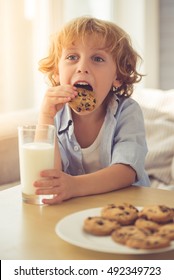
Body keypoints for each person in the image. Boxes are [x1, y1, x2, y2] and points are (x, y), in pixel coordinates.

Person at [34, 16, 150, 204]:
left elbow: (126, 171)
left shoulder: (127, 112)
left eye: (97, 58)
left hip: (127, 206)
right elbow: (46, 177)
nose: (82, 68)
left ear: (118, 76)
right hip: (74, 210)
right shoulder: (55, 115)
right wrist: (45, 118)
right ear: (57, 71)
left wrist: (74, 186)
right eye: (72, 57)